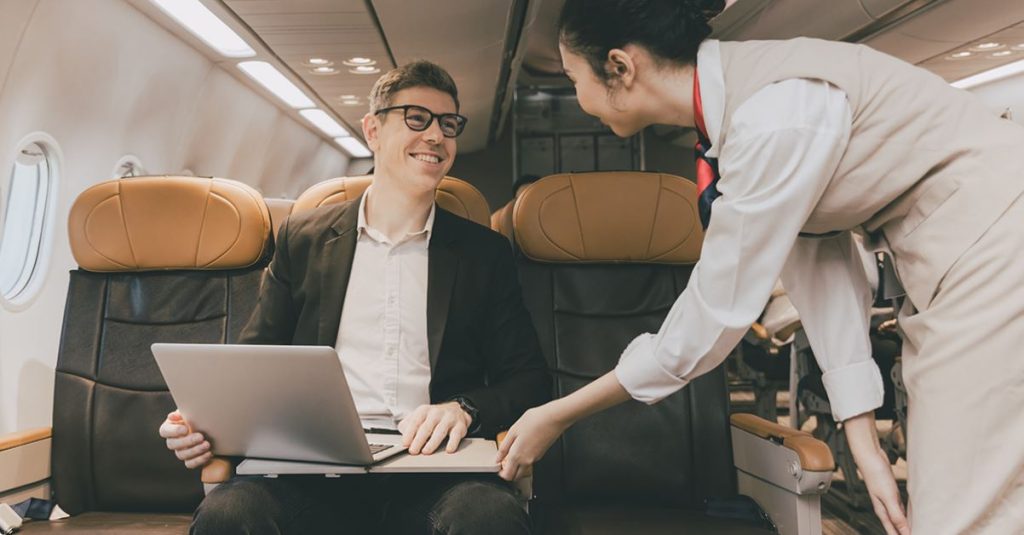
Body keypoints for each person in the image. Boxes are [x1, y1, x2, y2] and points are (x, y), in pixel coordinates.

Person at [495, 2, 1024, 534]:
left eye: (573, 77)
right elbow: (820, 256)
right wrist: (864, 443)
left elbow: (706, 324)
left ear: (619, 67)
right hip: (975, 255)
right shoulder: (745, 115)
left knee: (965, 516)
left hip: (995, 248)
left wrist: (557, 414)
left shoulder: (770, 121)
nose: (577, 98)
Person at [159, 60, 550, 534]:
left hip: (436, 472)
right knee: (229, 514)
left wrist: (463, 408)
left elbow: (527, 378)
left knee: (490, 518)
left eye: (448, 124)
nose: (436, 136)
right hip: (315, 473)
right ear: (372, 130)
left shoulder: (483, 253)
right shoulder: (302, 239)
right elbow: (253, 361)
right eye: (416, 118)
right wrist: (203, 425)